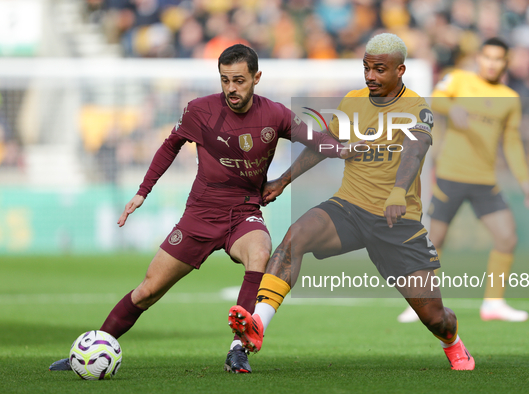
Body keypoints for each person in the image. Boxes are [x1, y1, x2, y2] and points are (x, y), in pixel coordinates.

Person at [49, 44, 355, 374]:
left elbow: (320, 142)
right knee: (148, 291)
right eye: (225, 80)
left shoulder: (276, 114)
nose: (231, 88)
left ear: (256, 78)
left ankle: (238, 349)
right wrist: (142, 192)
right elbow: (170, 146)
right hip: (199, 216)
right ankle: (90, 352)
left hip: (243, 214)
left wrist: (348, 150)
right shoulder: (200, 111)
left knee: (260, 251)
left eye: (239, 80)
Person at [228, 33, 475, 371]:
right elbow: (323, 143)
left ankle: (454, 344)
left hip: (396, 222)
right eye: (366, 68)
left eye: (379, 70)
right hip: (350, 208)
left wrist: (398, 191)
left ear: (400, 70)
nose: (370, 76)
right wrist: (284, 180)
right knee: (295, 236)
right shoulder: (353, 101)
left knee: (436, 319)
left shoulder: (417, 107)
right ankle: (258, 324)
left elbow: (415, 150)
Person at [397, 38, 529, 324]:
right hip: (451, 175)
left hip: (485, 180)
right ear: (479, 58)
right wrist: (453, 109)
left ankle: (493, 304)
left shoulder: (509, 98)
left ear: (505, 63)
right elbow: (436, 99)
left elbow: (511, 143)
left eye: (498, 58)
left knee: (507, 237)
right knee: (434, 241)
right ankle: (422, 303)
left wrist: (525, 182)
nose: (491, 62)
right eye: (487, 56)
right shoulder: (459, 80)